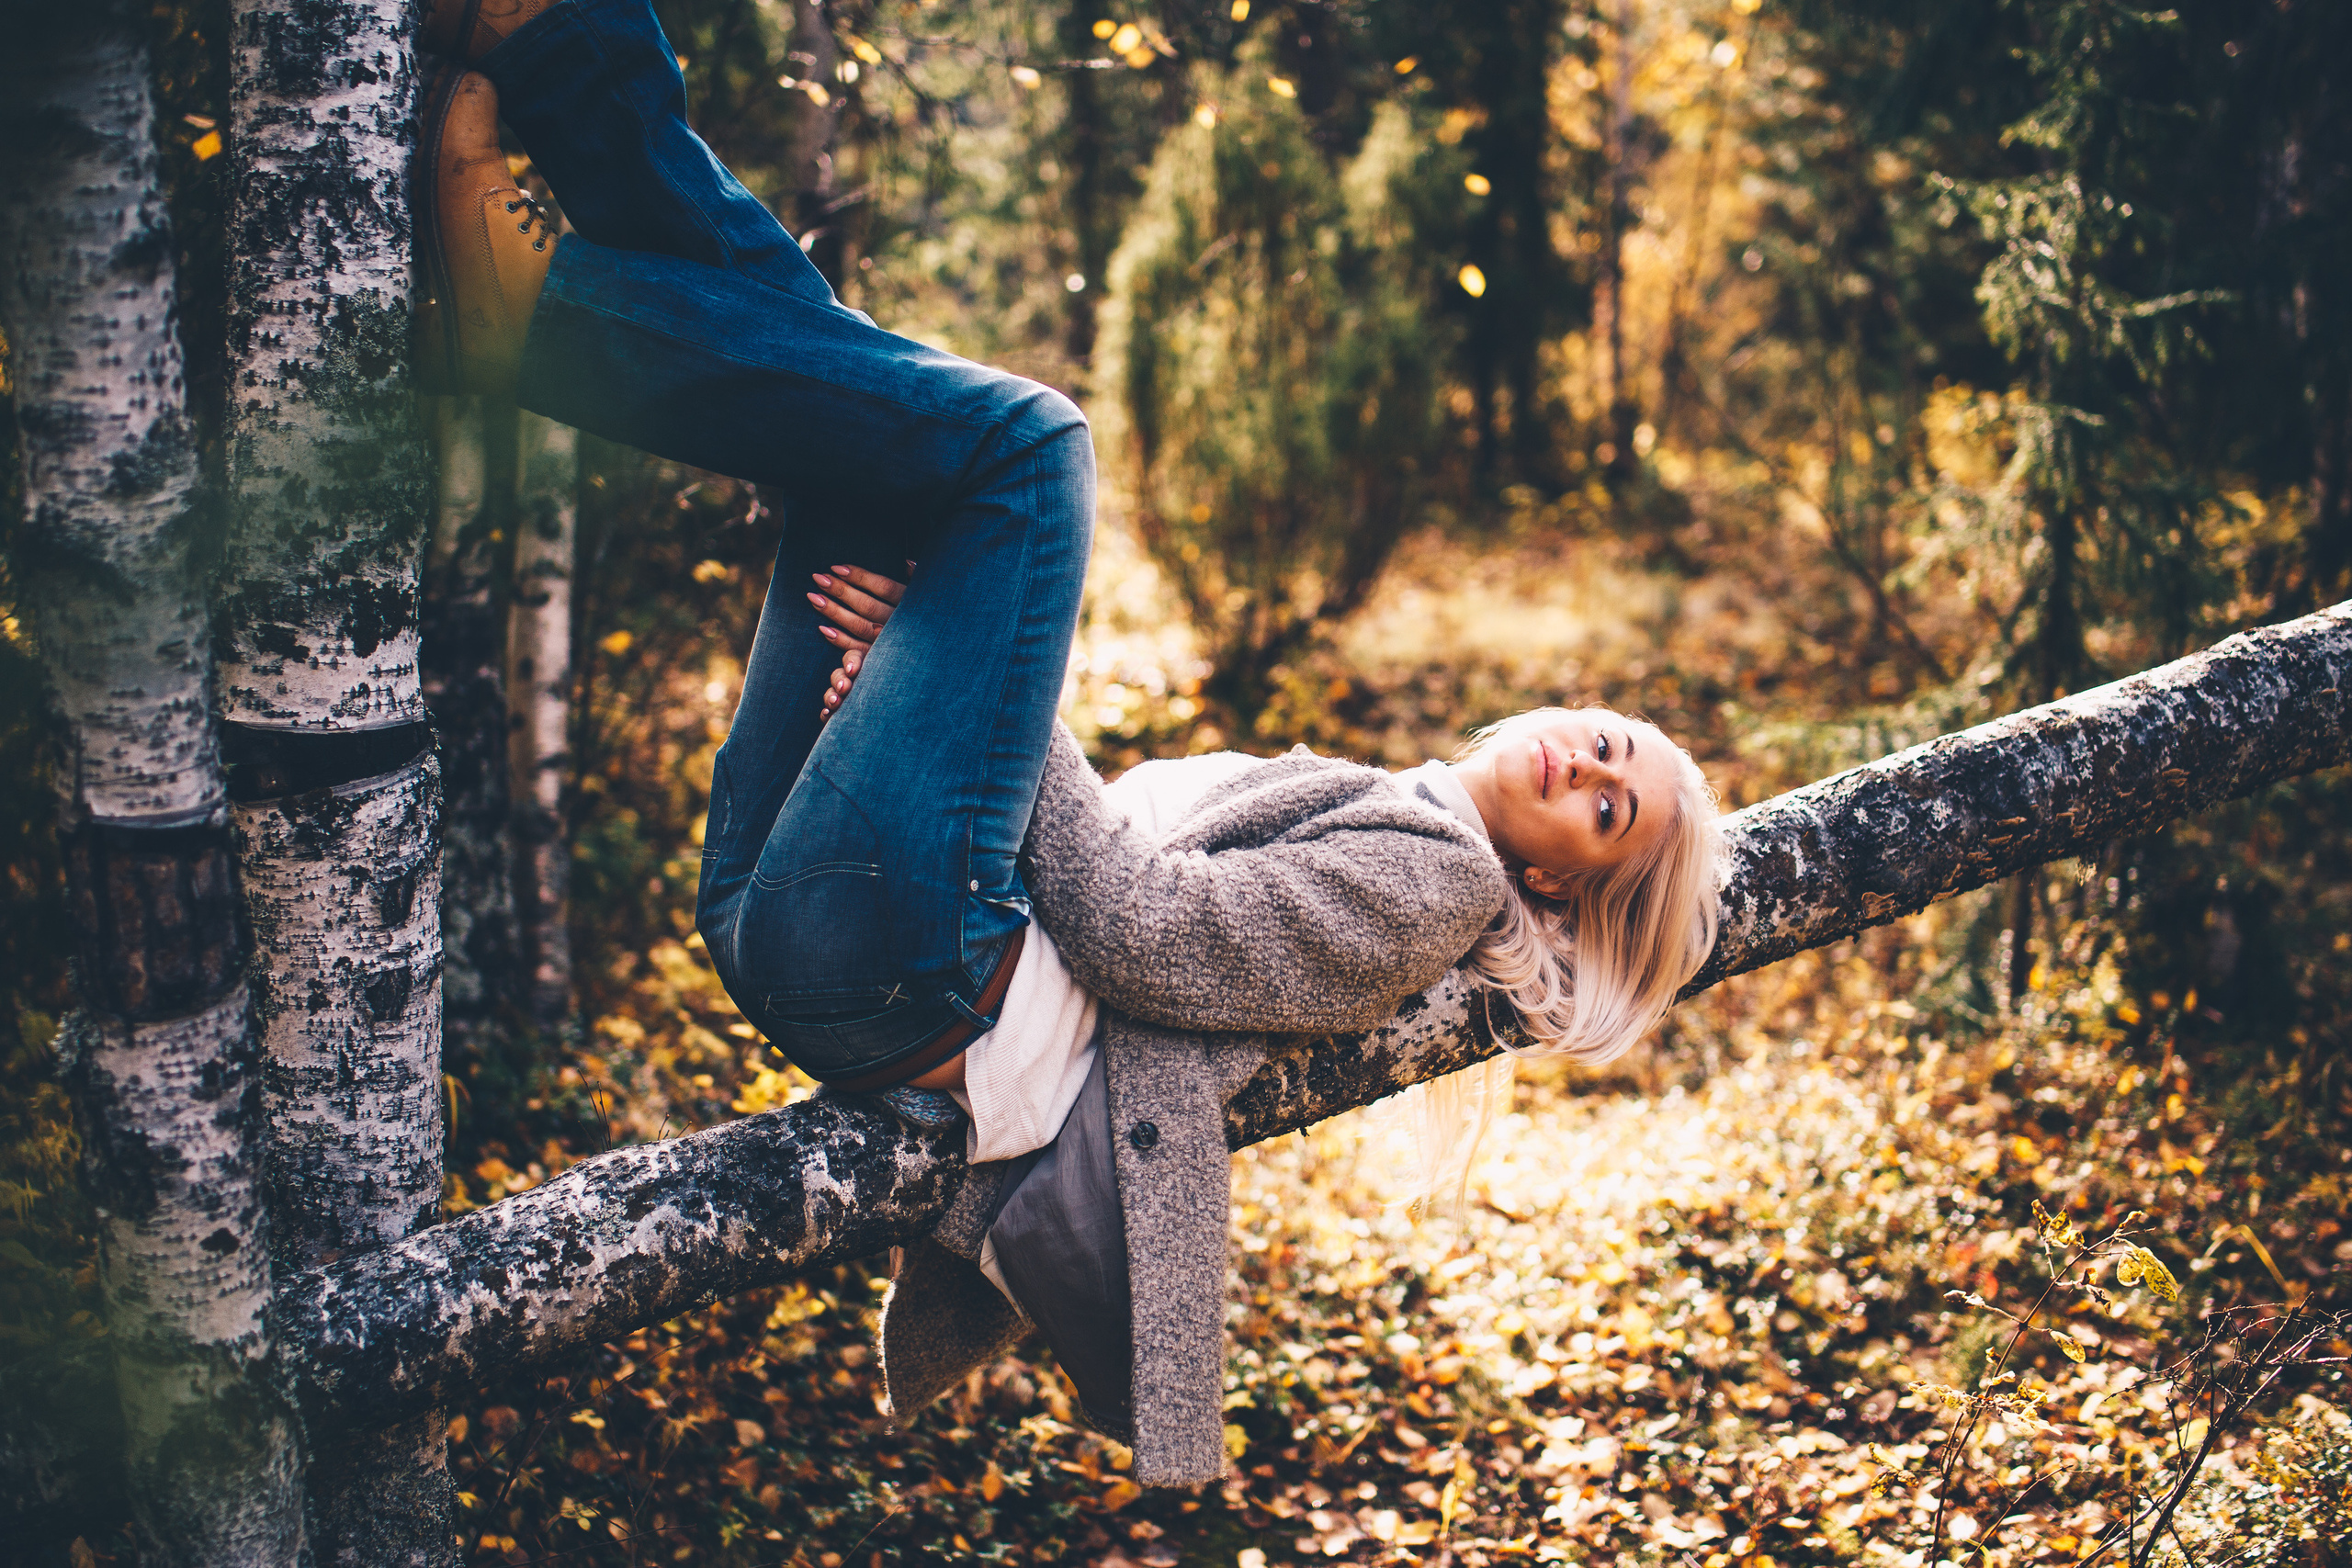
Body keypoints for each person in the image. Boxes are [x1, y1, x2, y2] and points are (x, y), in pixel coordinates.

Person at [410, 0, 1724, 1487]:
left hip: (911, 977)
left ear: (1556, 891)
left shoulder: (1439, 887)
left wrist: (961, 694)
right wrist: (929, 688)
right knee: (841, 392)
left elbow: (1151, 930)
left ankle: (556, 324)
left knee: (1031, 448)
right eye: (1613, 741)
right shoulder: (1401, 815)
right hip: (833, 929)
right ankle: (572, 56)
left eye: (1611, 815)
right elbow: (1079, 840)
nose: (1591, 768)